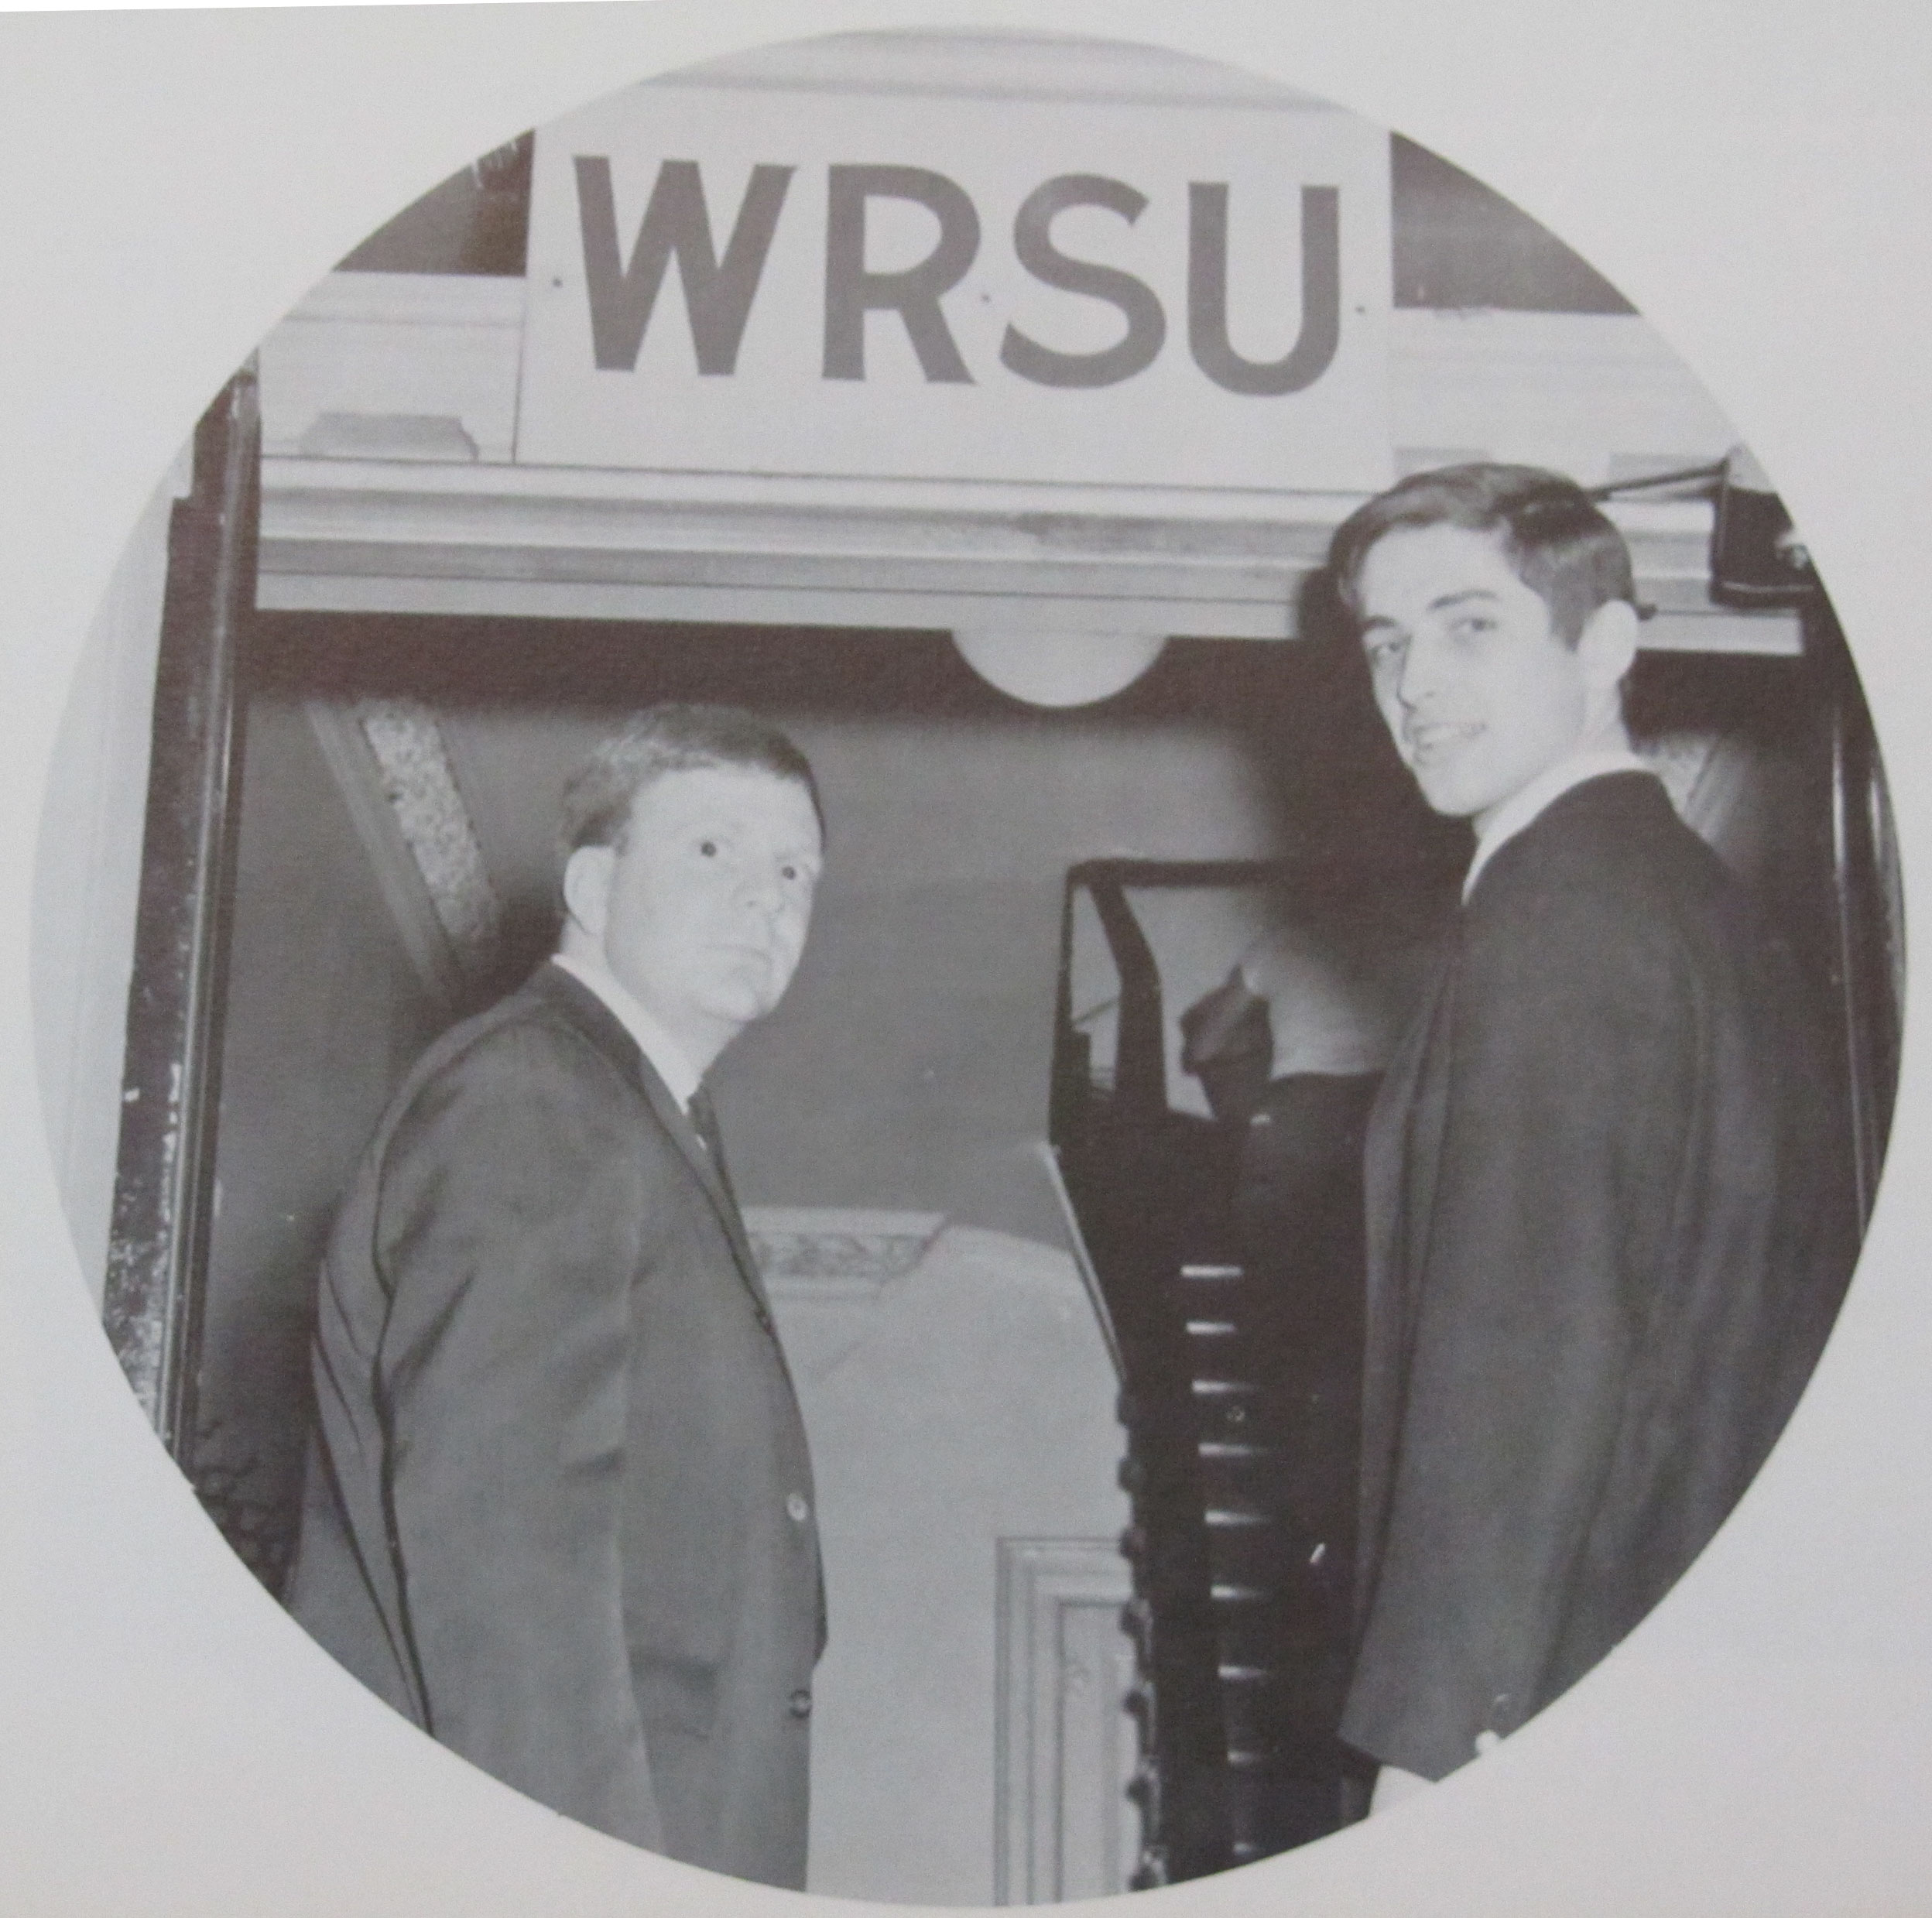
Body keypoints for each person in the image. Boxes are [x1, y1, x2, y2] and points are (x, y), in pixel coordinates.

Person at [1324, 464, 1844, 1810]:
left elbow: (1527, 1346)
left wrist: (1438, 1745)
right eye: (1387, 646)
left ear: (1606, 644)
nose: (1415, 685)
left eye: (1469, 626)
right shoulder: (1689, 905)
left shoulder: (1562, 919)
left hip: (1540, 1707)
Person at [284, 704, 829, 1887]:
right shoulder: (539, 1093)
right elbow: (511, 1567)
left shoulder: (635, 1114)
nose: (766, 895)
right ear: (592, 881)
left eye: (795, 868)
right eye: (712, 849)